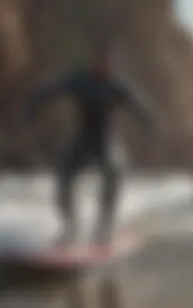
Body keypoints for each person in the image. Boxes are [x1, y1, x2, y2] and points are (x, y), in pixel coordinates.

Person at [20, 41, 157, 245]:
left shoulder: (116, 86)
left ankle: (104, 227)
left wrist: (148, 125)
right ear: (94, 60)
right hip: (83, 141)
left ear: (113, 63)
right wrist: (31, 107)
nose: (105, 64)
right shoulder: (80, 81)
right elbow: (49, 90)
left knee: (114, 172)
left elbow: (139, 106)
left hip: (105, 142)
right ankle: (70, 227)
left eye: (109, 61)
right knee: (64, 178)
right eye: (101, 60)